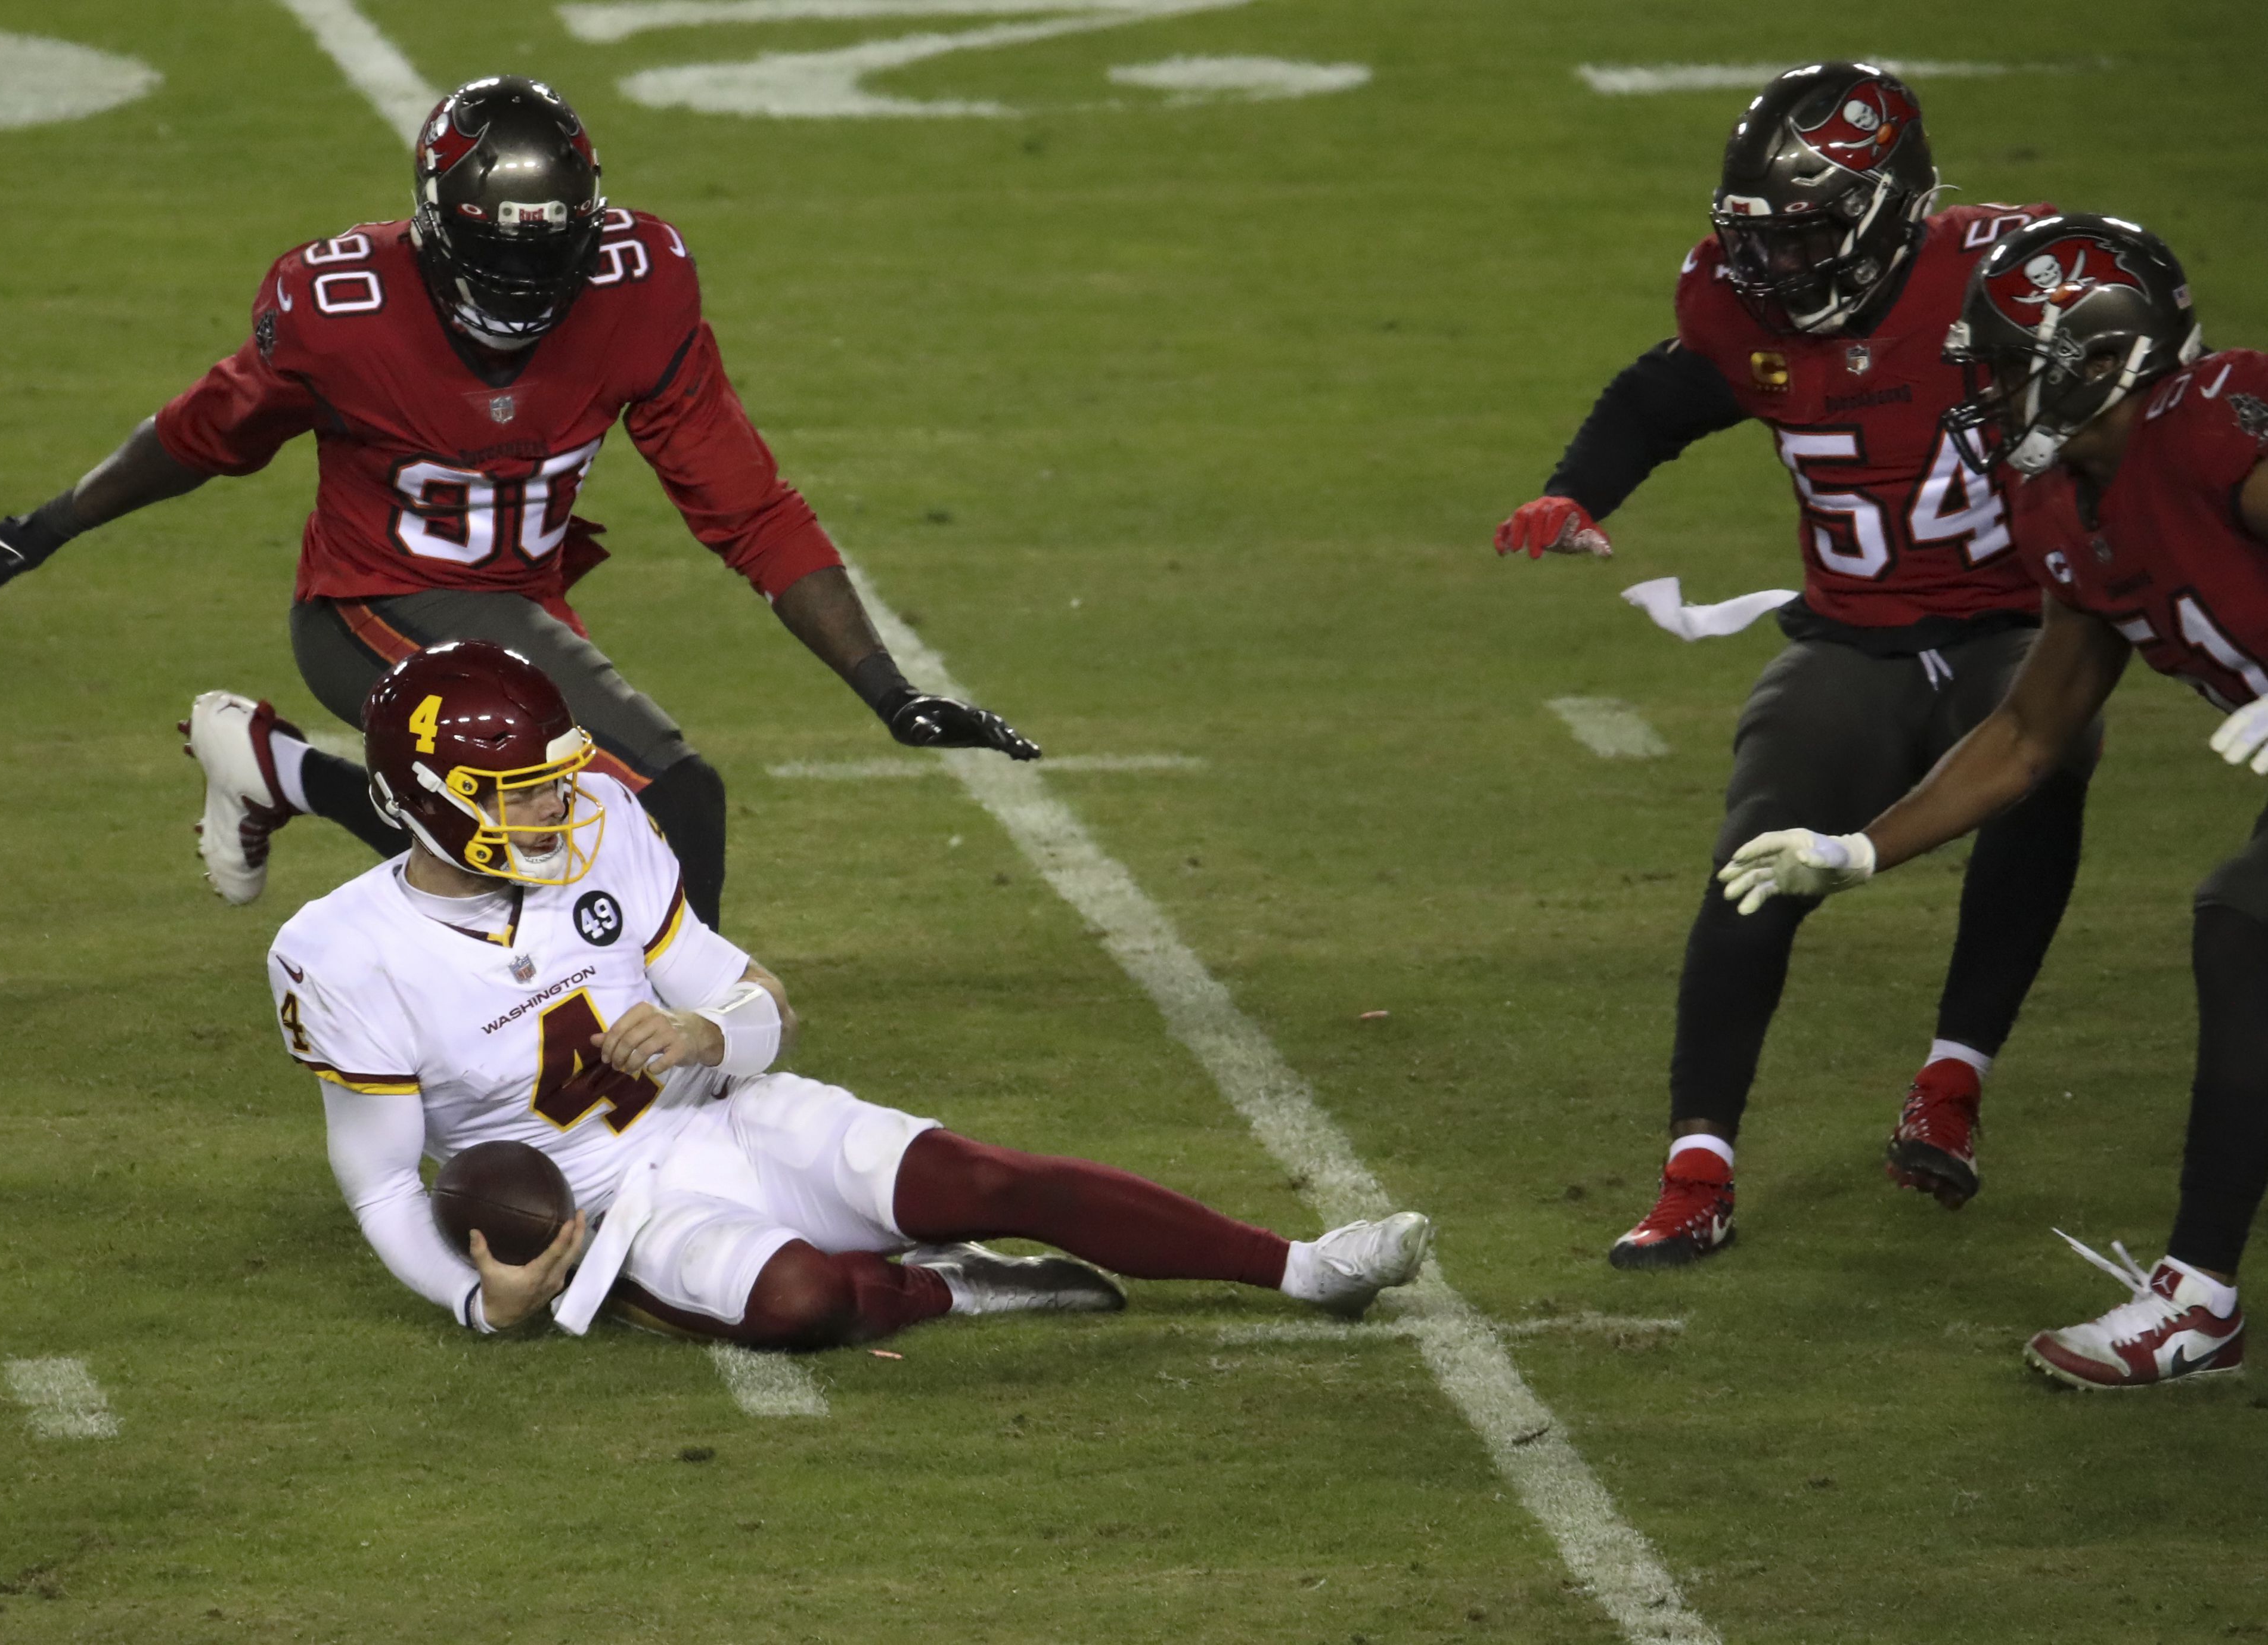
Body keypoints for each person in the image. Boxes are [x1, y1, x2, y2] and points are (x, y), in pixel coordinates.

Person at [0, 76, 1036, 929]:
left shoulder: (636, 287)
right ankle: (681, 1077)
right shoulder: (340, 310)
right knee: (667, 797)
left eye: (546, 262)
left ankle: (283, 771)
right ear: (433, 227)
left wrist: (889, 692)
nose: (521, 291)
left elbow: (745, 508)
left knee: (553, 855)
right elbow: (203, 435)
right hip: (371, 604)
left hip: (520, 609)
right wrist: (44, 527)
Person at [271, 639, 1434, 1347]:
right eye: (518, 793)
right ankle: (955, 1296)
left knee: (985, 1177)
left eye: (549, 784)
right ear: (428, 798)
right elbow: (379, 1185)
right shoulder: (344, 949)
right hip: (598, 1209)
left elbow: (758, 1011)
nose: (552, 810)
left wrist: (701, 1031)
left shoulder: (606, 828)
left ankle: (1300, 1267)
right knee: (799, 1305)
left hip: (714, 1119)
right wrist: (488, 1303)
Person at [1492, 63, 2099, 1267]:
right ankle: (1695, 1170)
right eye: (1757, 239)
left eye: (1808, 233)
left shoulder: (2009, 279)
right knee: (1754, 853)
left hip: (2007, 621)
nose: (1771, 267)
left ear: (1888, 212)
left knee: (2050, 759)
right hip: (1852, 632)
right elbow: (1663, 393)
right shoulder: (1736, 307)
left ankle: (1951, 1083)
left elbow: (2148, 402)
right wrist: (1575, 490)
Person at [1723, 214, 2260, 1387]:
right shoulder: (2065, 507)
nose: (1985, 392)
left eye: (2009, 365)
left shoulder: (2224, 421)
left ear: (2095, 357)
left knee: (2246, 927)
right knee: (2248, 933)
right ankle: (2201, 1301)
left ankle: (2199, 1301)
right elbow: (2026, 733)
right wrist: (1857, 852)